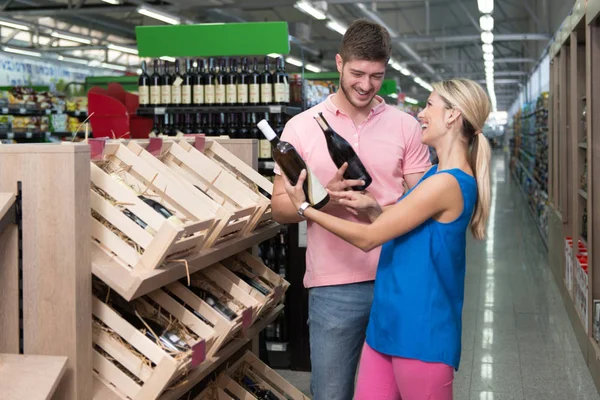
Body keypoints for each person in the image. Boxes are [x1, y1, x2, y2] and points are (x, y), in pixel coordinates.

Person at [281, 78, 492, 400]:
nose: (421, 114)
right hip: (388, 320)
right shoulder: (433, 175)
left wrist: (306, 207)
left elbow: (369, 239)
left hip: (422, 328)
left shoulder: (448, 182)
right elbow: (400, 228)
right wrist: (374, 209)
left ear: (452, 115)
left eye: (429, 105)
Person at [270, 19, 432, 400]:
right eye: (357, 72)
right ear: (340, 63)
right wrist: (320, 200)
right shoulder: (301, 127)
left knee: (395, 393)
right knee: (331, 392)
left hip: (397, 277)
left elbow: (425, 203)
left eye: (376, 76)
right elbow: (279, 207)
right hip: (333, 286)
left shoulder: (406, 126)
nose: (365, 84)